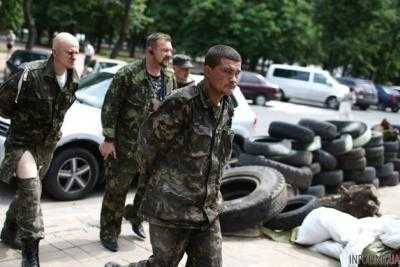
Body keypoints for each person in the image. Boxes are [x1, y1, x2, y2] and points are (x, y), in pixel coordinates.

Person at [105, 44, 241, 267]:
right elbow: (147, 146)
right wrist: (164, 184)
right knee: (163, 263)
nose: (233, 79)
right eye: (227, 71)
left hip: (207, 210)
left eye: (237, 73)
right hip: (173, 207)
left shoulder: (227, 107)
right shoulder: (182, 102)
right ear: (207, 70)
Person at [0, 32, 79, 267]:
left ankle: (9, 229)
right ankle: (30, 254)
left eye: (77, 50)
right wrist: (24, 122)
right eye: (69, 51)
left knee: (27, 192)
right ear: (54, 52)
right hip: (22, 143)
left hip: (47, 146)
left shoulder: (74, 76)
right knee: (33, 191)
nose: (75, 55)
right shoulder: (30, 74)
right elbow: (3, 104)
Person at [99, 32, 176, 252]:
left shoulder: (169, 77)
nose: (169, 54)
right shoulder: (128, 74)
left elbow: (171, 110)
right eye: (165, 50)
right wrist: (108, 139)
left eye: (170, 50)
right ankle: (109, 232)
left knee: (148, 189)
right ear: (150, 50)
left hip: (155, 147)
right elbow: (110, 107)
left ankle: (135, 217)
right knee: (117, 190)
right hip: (125, 145)